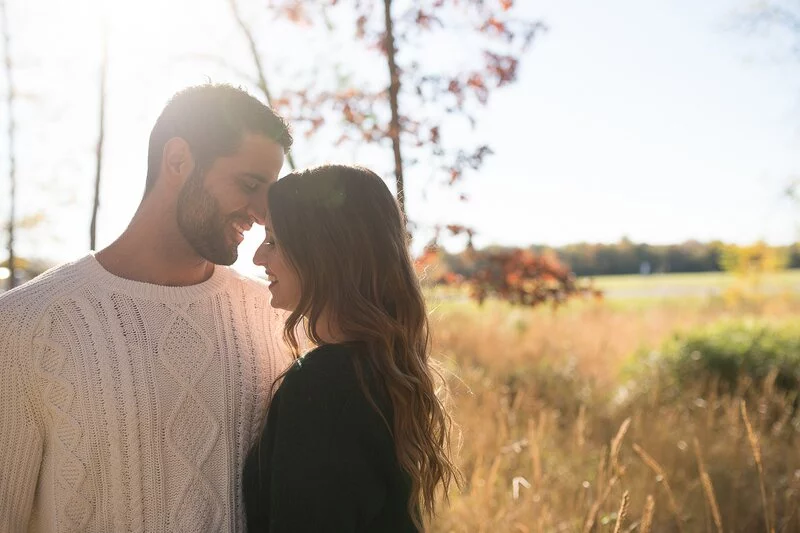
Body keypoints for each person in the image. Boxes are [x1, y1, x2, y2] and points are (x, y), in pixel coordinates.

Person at [0, 83, 293, 532]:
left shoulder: (272, 318)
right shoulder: (27, 323)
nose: (259, 212)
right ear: (178, 160)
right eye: (249, 185)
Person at [243, 164, 460, 532]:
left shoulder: (323, 385)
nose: (258, 258)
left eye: (274, 240)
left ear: (324, 252)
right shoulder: (378, 366)